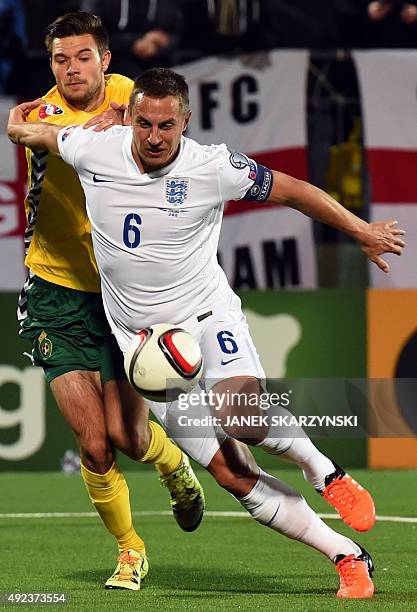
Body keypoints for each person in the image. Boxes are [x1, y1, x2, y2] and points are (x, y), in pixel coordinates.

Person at [8, 68, 404, 598]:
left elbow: (295, 191)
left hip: (205, 318)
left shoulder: (213, 166)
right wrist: (17, 126)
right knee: (232, 475)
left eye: (166, 126)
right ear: (130, 118)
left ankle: (325, 472)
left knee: (240, 416)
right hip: (144, 348)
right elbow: (37, 133)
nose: (153, 137)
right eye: (143, 123)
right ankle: (347, 555)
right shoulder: (93, 149)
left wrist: (361, 230)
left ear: (185, 121)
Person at [11, 12, 205, 592]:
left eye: (83, 57)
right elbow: (31, 133)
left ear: (106, 59)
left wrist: (122, 122)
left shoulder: (134, 97)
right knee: (93, 444)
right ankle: (130, 549)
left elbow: (162, 139)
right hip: (55, 291)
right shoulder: (41, 113)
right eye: (60, 59)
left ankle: (176, 468)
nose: (71, 69)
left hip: (124, 296)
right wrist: (92, 124)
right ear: (50, 65)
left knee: (132, 437)